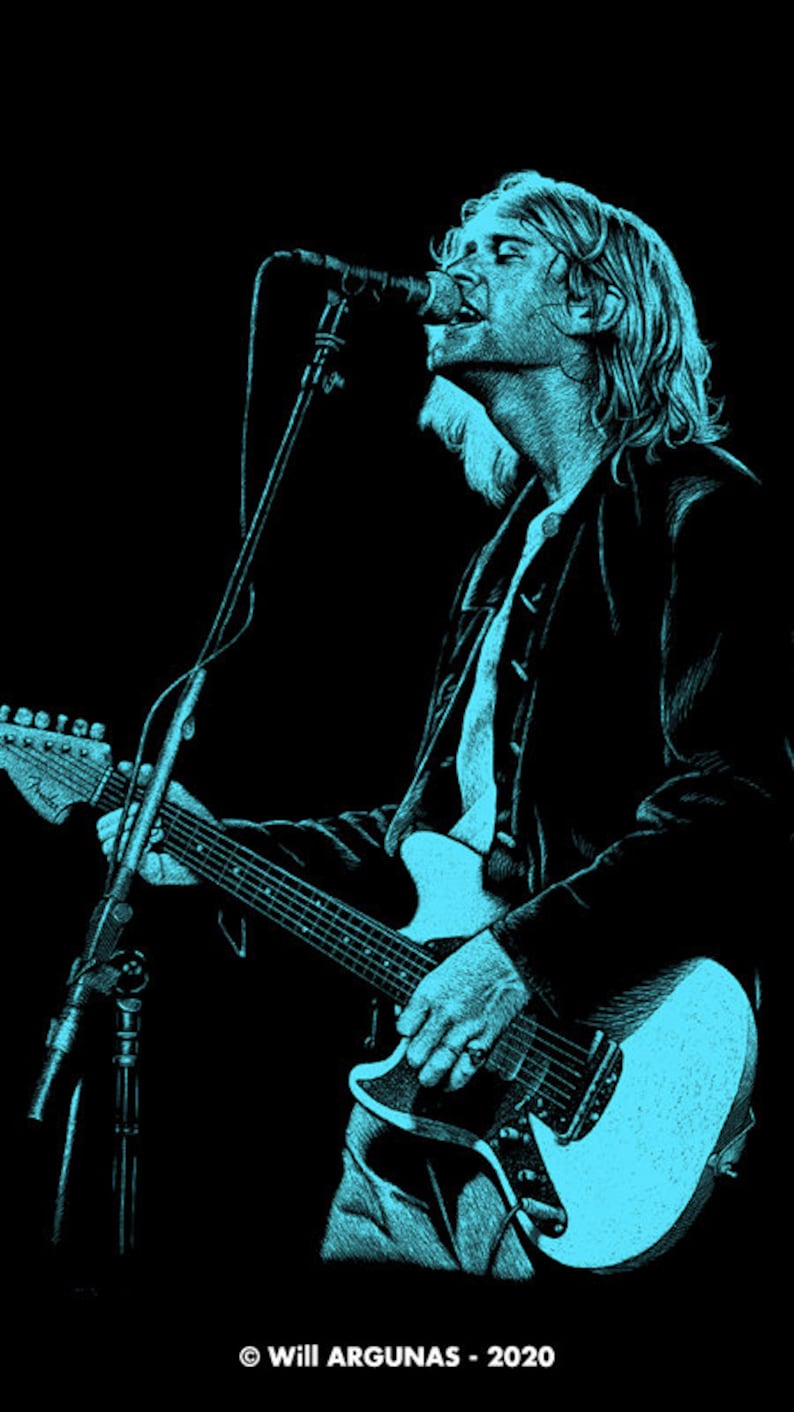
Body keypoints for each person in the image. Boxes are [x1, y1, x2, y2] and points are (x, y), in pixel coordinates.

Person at [97, 170, 789, 1280]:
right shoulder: (502, 555)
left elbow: (732, 802)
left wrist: (517, 961)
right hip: (416, 1115)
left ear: (592, 304)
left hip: (591, 1098)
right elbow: (426, 842)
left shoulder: (696, 508)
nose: (451, 274)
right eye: (454, 252)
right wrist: (212, 847)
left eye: (501, 252)